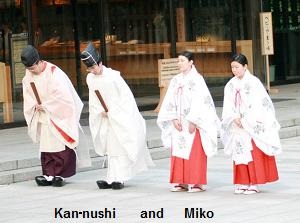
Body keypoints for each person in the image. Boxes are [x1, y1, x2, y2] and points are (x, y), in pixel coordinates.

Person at [80, 42, 154, 190]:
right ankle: (111, 177)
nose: (92, 71)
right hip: (105, 117)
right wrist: (99, 111)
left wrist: (113, 112)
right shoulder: (90, 79)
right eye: (89, 68)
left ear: (100, 63)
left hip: (118, 116)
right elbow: (94, 99)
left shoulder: (114, 77)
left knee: (120, 146)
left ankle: (120, 178)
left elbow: (125, 99)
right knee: (111, 148)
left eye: (94, 67)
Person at [21, 45, 90, 187]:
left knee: (59, 143)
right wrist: (34, 105)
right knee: (46, 145)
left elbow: (63, 96)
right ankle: (48, 173)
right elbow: (27, 94)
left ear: (38, 62)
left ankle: (60, 174)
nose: (31, 72)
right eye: (29, 70)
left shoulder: (54, 72)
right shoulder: (28, 76)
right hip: (42, 114)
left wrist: (46, 105)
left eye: (33, 68)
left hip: (57, 115)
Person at [157, 51, 220, 193]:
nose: (180, 63)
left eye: (183, 60)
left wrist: (194, 120)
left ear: (191, 62)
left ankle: (196, 182)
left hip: (193, 122)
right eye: (178, 61)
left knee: (194, 151)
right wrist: (173, 117)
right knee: (179, 150)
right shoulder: (175, 80)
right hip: (178, 123)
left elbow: (201, 101)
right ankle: (181, 181)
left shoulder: (197, 79)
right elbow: (169, 101)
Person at [220, 53, 282, 195]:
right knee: (240, 152)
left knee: (251, 151)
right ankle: (242, 182)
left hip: (250, 124)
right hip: (236, 124)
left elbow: (259, 105)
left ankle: (253, 182)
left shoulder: (254, 82)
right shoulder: (230, 85)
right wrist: (234, 117)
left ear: (245, 66)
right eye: (232, 67)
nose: (234, 70)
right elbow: (227, 105)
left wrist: (245, 119)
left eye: (237, 67)